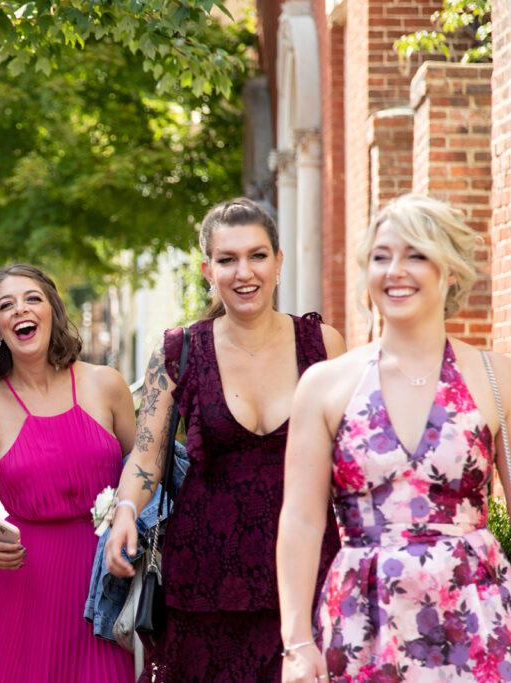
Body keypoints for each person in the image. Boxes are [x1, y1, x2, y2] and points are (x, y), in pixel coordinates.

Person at [276, 193, 511, 683]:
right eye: (381, 257)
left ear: (449, 270)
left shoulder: (495, 377)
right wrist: (297, 643)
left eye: (415, 255)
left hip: (478, 616)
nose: (395, 270)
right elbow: (299, 518)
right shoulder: (324, 384)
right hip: (364, 621)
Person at [104, 198, 346, 682]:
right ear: (207, 270)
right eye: (227, 259)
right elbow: (146, 458)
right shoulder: (178, 350)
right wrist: (125, 512)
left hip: (306, 572)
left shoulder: (323, 346)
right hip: (206, 582)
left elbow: (351, 459)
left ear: (279, 261)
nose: (244, 272)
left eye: (257, 255)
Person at [0, 263, 136, 682]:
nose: (21, 310)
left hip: (104, 583)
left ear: (52, 309)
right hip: (22, 590)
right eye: (7, 305)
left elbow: (144, 473)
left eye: (32, 298)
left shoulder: (105, 385)